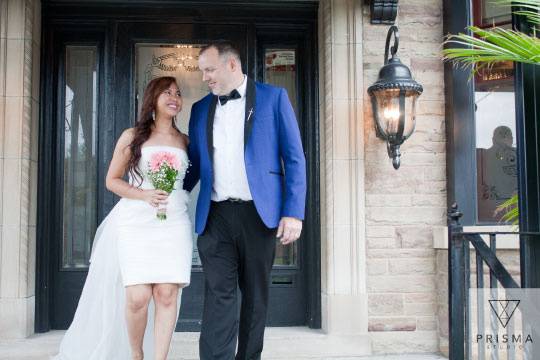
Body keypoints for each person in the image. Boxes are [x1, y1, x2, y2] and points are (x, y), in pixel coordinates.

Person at [53, 76, 193, 360]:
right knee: (138, 297)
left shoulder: (185, 140)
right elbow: (112, 181)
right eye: (167, 92)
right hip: (136, 223)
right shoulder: (132, 136)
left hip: (174, 223)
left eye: (178, 93)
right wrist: (144, 195)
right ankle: (136, 354)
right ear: (152, 98)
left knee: (167, 293)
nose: (174, 98)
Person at [183, 40, 307, 360]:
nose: (205, 77)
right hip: (215, 216)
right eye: (202, 71)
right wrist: (165, 192)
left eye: (209, 70)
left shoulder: (274, 98)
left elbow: (293, 158)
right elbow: (194, 164)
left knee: (255, 297)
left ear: (232, 65)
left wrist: (293, 212)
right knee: (218, 296)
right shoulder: (199, 110)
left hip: (259, 214)